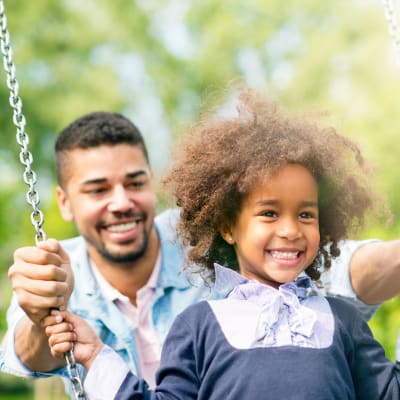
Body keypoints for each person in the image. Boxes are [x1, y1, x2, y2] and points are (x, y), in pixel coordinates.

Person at [1, 107, 400, 394]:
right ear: (64, 201)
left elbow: (343, 268)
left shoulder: (197, 235)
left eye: (135, 183)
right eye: (98, 189)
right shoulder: (55, 269)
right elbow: (26, 351)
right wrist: (60, 330)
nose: (121, 202)